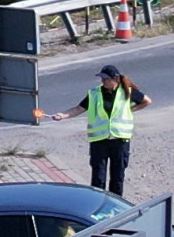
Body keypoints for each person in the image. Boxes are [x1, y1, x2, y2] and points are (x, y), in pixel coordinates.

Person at [51, 64, 150, 197]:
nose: (103, 81)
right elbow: (79, 108)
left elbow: (146, 101)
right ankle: (97, 203)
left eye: (106, 79)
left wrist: (131, 110)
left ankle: (115, 207)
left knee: (117, 177)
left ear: (115, 78)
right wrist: (63, 115)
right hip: (99, 141)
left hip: (120, 140)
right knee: (98, 178)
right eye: (102, 78)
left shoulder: (127, 92)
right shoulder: (94, 93)